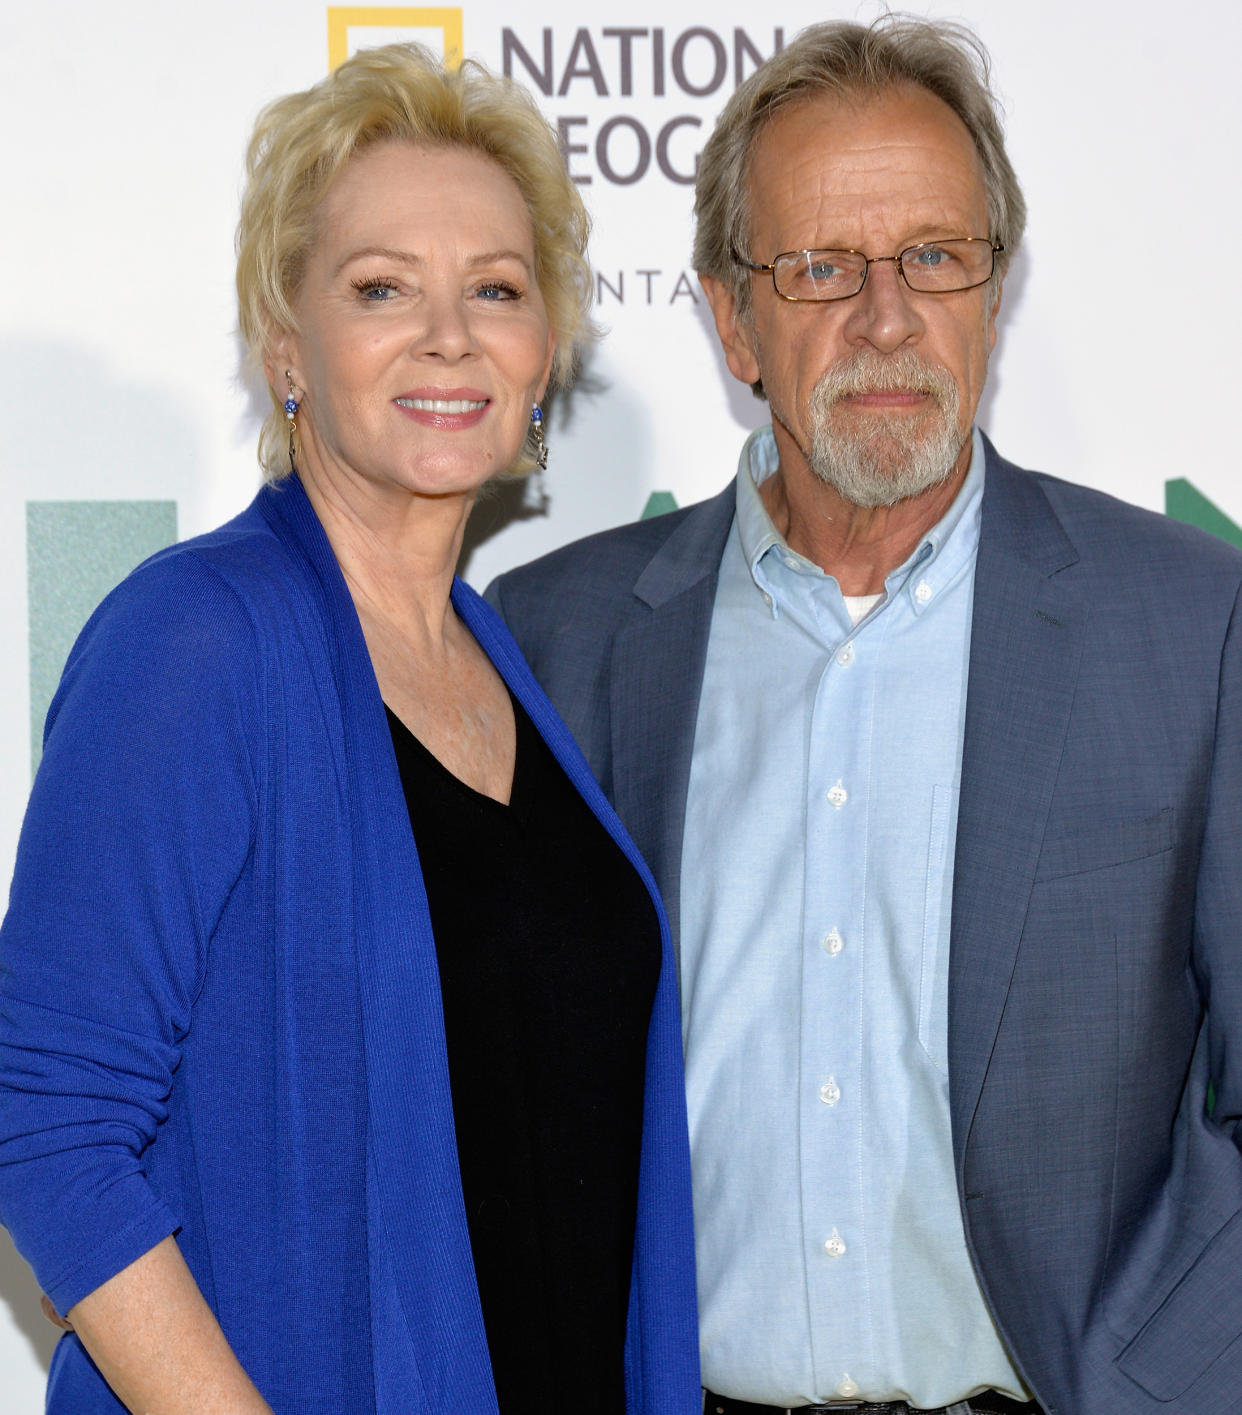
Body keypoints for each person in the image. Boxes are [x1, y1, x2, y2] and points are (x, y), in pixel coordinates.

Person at [487, 15, 1242, 1415]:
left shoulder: (1194, 630)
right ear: (730, 319)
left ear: (992, 292)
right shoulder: (554, 641)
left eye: (934, 258)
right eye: (821, 268)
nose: (884, 319)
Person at [0, 44, 699, 1415]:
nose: (449, 334)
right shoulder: (197, 640)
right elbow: (46, 1116)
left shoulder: (502, 661)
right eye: (382, 288)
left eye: (494, 290)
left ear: (542, 349)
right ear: (286, 347)